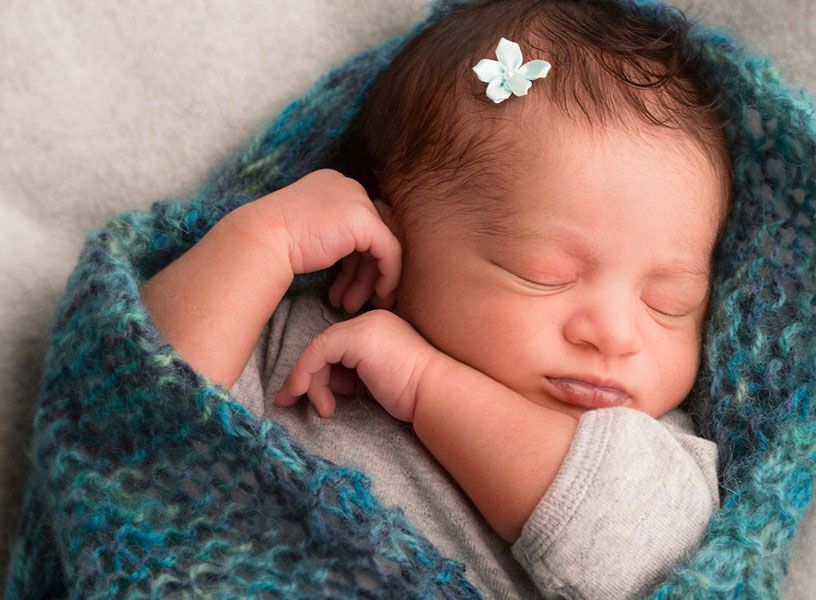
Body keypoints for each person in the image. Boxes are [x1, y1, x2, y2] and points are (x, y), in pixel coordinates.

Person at [140, 0, 732, 596]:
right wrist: (262, 239)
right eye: (544, 275)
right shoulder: (306, 342)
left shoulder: (656, 448)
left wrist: (428, 384)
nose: (616, 334)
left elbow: (650, 560)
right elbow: (139, 422)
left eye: (669, 304)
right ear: (391, 241)